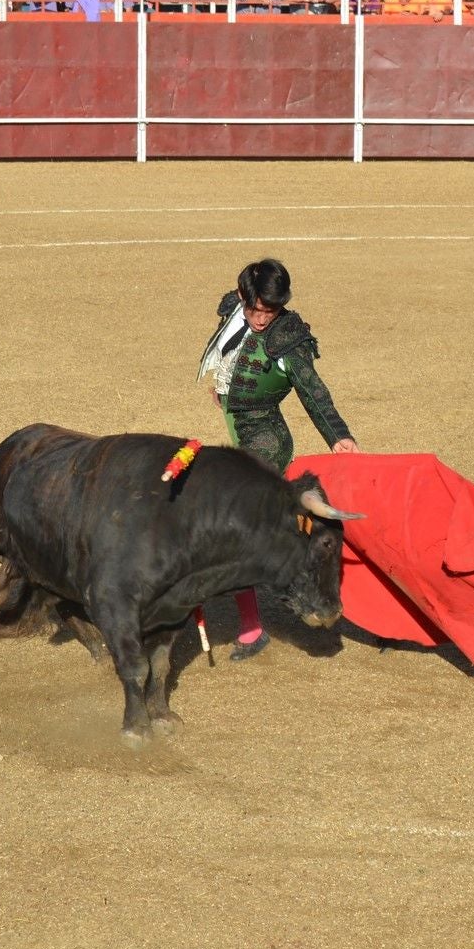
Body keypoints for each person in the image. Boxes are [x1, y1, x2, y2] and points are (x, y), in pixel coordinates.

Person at [195, 258, 359, 660]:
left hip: (265, 439)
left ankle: (257, 626)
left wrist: (338, 435)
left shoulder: (288, 340)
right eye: (256, 309)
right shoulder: (235, 310)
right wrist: (223, 387)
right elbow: (227, 347)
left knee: (241, 532)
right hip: (241, 428)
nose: (262, 319)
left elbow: (312, 390)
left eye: (270, 311)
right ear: (242, 297)